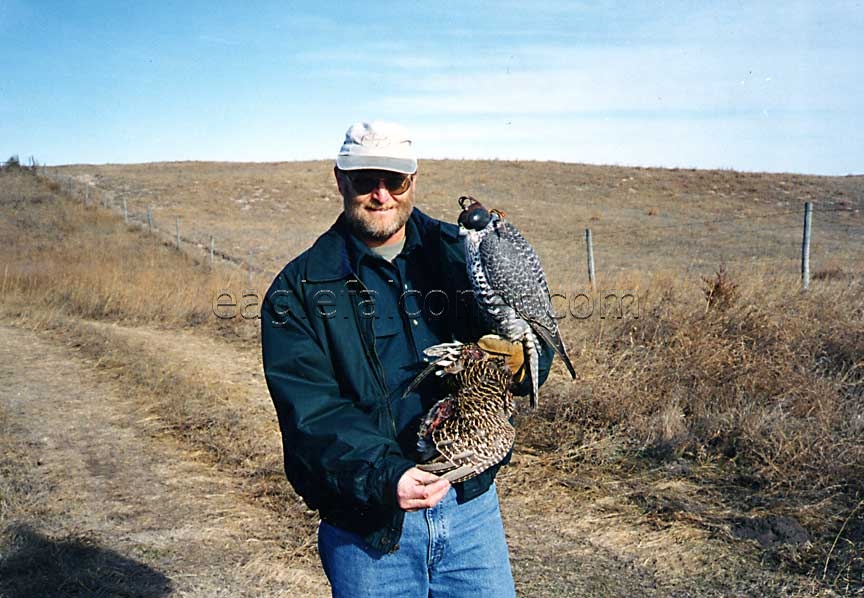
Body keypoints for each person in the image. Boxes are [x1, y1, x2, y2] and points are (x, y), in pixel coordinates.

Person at [261, 121, 552, 597]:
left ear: (412, 181)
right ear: (340, 180)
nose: (381, 195)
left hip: (471, 514)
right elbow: (310, 415)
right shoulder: (299, 290)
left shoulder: (460, 254)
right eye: (364, 180)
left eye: (394, 181)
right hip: (371, 532)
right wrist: (384, 475)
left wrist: (524, 363)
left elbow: (531, 335)